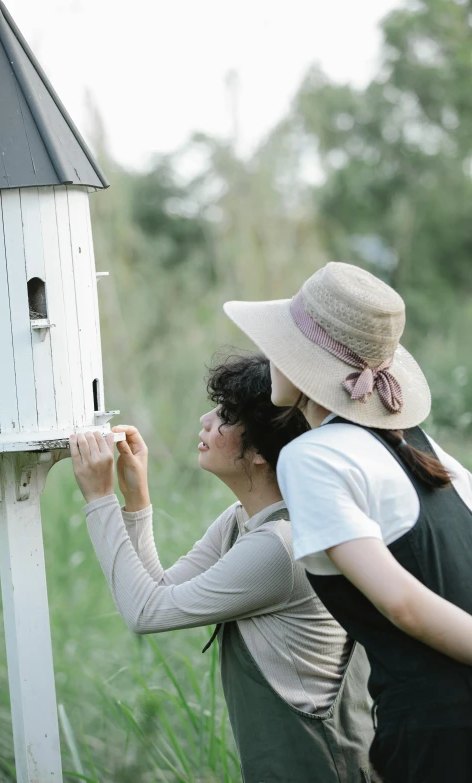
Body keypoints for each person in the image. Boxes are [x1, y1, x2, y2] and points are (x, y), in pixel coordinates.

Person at [69, 353, 374, 783]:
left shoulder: (279, 548)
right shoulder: (245, 520)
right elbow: (157, 590)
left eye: (227, 416)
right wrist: (135, 501)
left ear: (262, 454)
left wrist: (99, 500)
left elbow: (144, 613)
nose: (206, 420)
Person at [223, 261, 472, 782]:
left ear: (305, 361)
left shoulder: (312, 457)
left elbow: (401, 603)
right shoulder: (431, 453)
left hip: (437, 735)